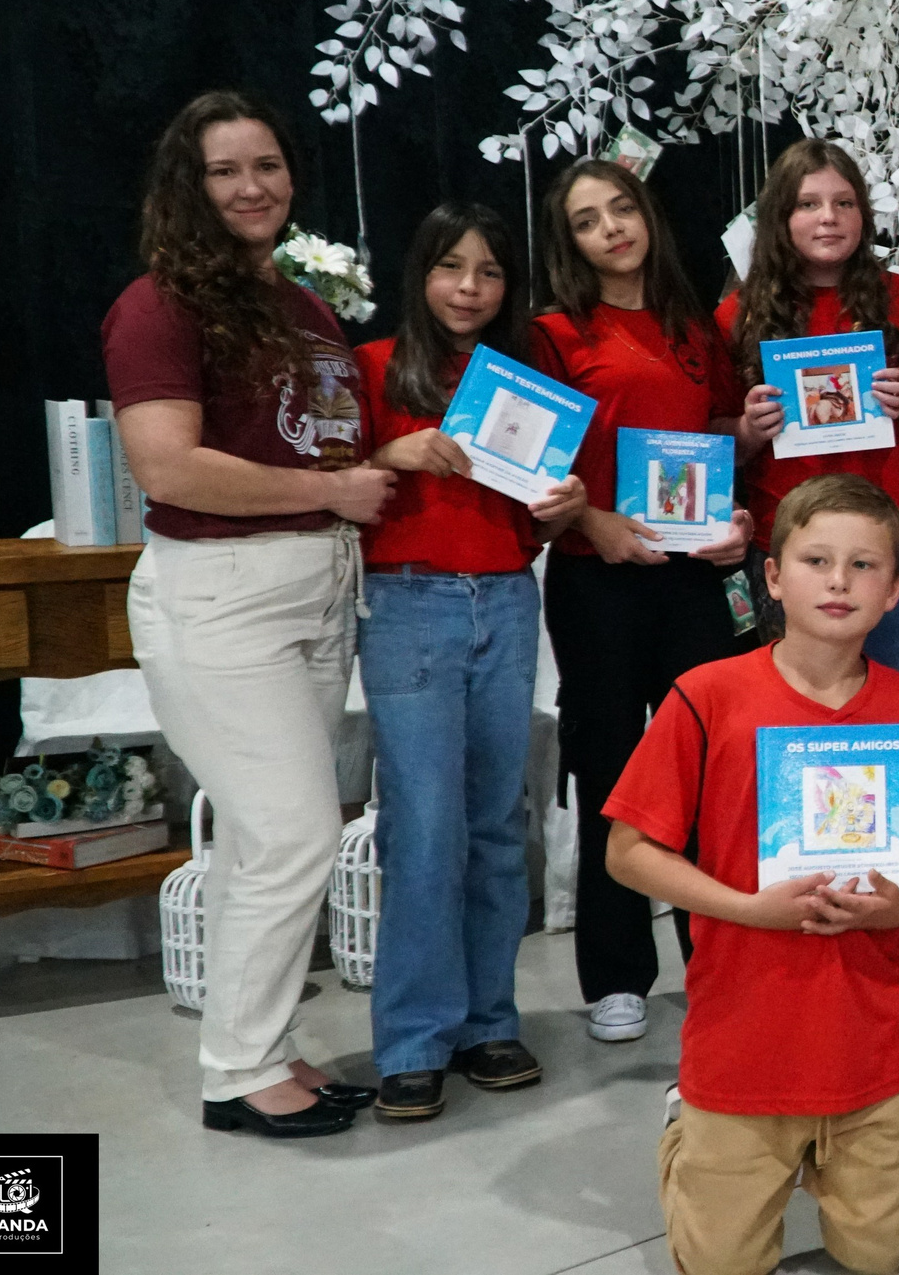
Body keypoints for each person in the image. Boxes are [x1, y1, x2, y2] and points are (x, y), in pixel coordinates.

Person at [104, 90, 392, 1137]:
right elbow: (166, 465)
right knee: (292, 829)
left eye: (266, 165)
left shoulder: (305, 308)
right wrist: (330, 493)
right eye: (227, 169)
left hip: (315, 587)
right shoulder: (158, 306)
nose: (252, 185)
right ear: (191, 186)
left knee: (253, 848)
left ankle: (255, 1045)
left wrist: (361, 478)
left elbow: (319, 447)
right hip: (221, 595)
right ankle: (238, 1071)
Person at [601, 475, 899, 1274]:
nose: (839, 581)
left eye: (865, 565)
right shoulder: (707, 695)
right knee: (723, 1265)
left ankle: (834, 1159)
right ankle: (686, 1126)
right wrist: (744, 907)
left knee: (882, 1257)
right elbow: (627, 852)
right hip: (743, 1045)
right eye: (816, 559)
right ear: (772, 576)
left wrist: (890, 909)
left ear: (898, 589)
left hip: (872, 1047)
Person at [719, 138, 899, 1004]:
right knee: (793, 740)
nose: (827, 218)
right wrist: (748, 427)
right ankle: (804, 910)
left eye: (843, 204)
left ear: (864, 216)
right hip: (789, 551)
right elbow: (713, 448)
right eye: (808, 204)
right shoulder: (738, 316)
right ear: (780, 219)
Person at [354, 203, 586, 1121]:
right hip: (409, 603)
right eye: (451, 268)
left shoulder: (523, 378)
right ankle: (412, 1039)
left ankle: (489, 1019)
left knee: (497, 821)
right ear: (419, 274)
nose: (469, 288)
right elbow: (338, 484)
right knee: (425, 826)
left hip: (507, 595)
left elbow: (539, 507)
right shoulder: (376, 368)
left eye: (488, 272)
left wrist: (563, 501)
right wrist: (390, 449)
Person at [531, 158, 757, 1046]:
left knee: (708, 774)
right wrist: (595, 521)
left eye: (622, 209)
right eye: (588, 220)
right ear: (570, 241)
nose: (611, 229)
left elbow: (719, 437)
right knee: (615, 778)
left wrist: (734, 515)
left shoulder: (695, 328)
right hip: (599, 580)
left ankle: (720, 961)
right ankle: (618, 974)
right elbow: (525, 456)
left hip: (694, 578)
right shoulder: (552, 335)